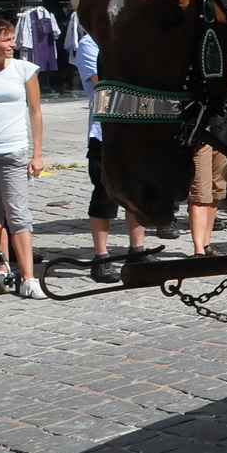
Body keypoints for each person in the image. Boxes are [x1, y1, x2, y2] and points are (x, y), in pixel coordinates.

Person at [72, 32, 151, 282]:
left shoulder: (128, 39)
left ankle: (137, 250)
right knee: (104, 195)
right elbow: (103, 83)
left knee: (137, 193)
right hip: (104, 133)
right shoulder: (89, 44)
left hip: (136, 129)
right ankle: (101, 257)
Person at [0, 16, 45, 298]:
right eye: (6, 40)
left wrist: (37, 153)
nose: (13, 44)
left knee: (18, 215)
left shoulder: (24, 69)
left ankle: (28, 278)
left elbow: (35, 112)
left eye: (13, 38)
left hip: (14, 150)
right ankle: (2, 271)